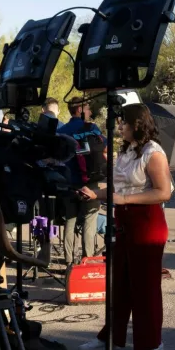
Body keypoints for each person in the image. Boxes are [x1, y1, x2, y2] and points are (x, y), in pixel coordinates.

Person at [77, 104, 171, 350]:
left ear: (137, 124)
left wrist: (124, 198)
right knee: (118, 283)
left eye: (123, 123)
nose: (119, 127)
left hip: (147, 222)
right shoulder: (127, 150)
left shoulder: (154, 153)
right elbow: (117, 190)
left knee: (145, 285)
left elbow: (164, 192)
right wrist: (95, 194)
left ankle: (152, 342)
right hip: (124, 220)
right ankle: (112, 336)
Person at [57, 98, 106, 263]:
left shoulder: (61, 131)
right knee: (89, 221)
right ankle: (87, 261)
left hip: (68, 182)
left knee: (69, 222)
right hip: (89, 182)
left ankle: (69, 262)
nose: (90, 112)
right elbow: (104, 147)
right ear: (79, 109)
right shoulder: (91, 128)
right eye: (87, 108)